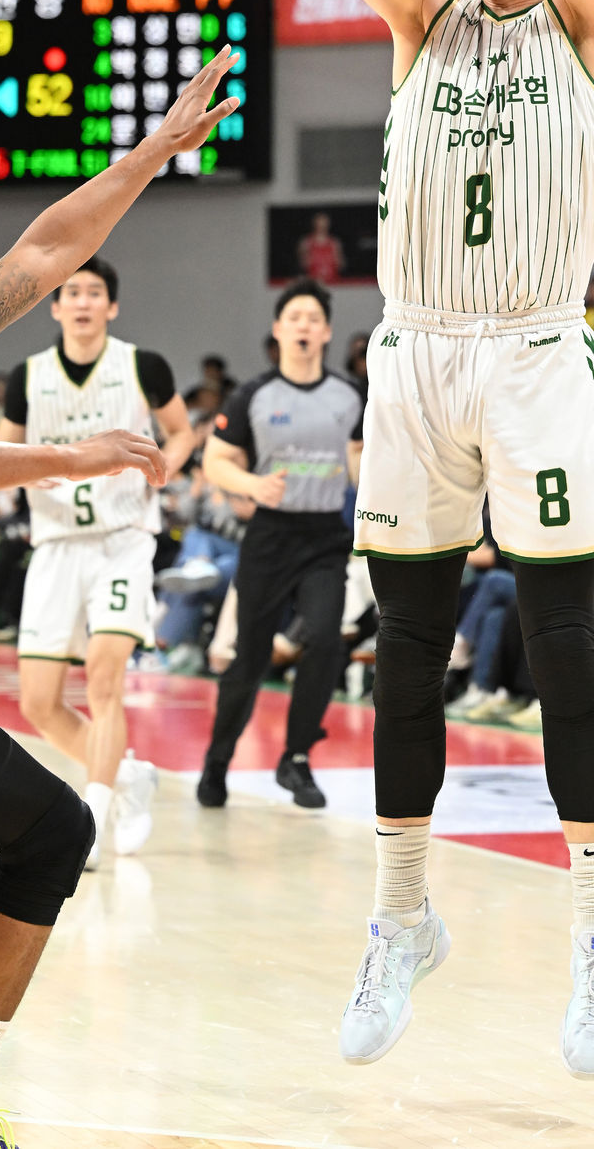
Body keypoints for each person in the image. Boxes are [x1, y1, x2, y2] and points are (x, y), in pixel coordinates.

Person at [321, 0, 594, 1079]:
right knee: (404, 653)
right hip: (416, 360)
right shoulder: (425, 16)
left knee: (565, 646)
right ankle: (402, 916)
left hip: (532, 358)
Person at [0, 53, 236, 1145]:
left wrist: (153, 153)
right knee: (51, 820)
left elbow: (46, 250)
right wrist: (66, 455)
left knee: (52, 829)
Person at [0, 256, 196, 869]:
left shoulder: (142, 366)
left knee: (105, 679)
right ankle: (130, 775)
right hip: (56, 544)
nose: (83, 302)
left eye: (94, 293)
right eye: (72, 292)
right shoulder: (29, 376)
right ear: (56, 307)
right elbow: (2, 449)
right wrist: (18, 474)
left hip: (122, 539)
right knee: (38, 704)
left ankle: (95, 816)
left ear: (111, 305)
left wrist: (164, 467)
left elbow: (182, 431)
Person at [195, 278, 364, 811]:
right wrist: (252, 485)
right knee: (249, 659)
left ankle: (296, 758)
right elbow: (215, 461)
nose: (304, 327)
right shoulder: (254, 395)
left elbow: (360, 461)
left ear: (327, 331)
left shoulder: (349, 396)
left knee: (325, 639)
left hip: (324, 537)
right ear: (278, 329)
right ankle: (217, 760)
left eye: (314, 319)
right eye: (295, 318)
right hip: (270, 536)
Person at [296, 210, 346, 283]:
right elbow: (302, 265)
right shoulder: (306, 242)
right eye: (319, 222)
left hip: (333, 281)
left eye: (324, 222)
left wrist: (338, 260)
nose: (322, 225)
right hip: (314, 282)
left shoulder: (334, 243)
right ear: (314, 223)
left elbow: (341, 265)